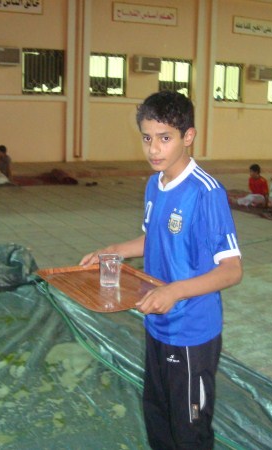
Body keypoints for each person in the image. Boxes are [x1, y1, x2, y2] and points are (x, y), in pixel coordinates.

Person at [79, 91, 242, 449]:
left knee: (189, 430)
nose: (153, 149)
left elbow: (232, 270)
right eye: (147, 138)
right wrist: (113, 251)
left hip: (191, 330)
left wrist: (174, 291)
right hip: (157, 323)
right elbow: (153, 238)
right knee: (158, 416)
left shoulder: (206, 193)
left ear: (188, 136)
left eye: (165, 138)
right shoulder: (155, 184)